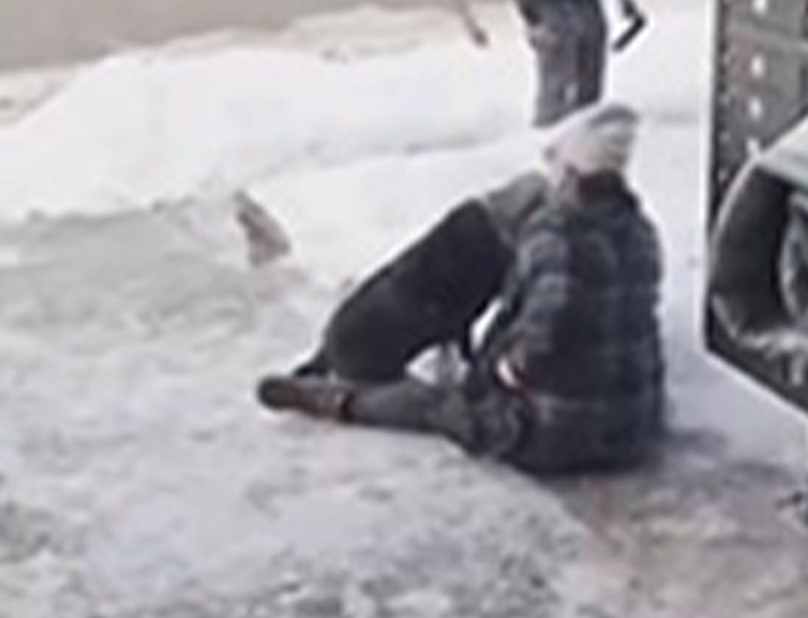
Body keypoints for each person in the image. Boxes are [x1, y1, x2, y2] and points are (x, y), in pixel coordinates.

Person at [257, 103, 665, 474]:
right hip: (635, 430)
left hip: (556, 438)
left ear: (572, 173)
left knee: (438, 405)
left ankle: (336, 401)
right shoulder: (642, 232)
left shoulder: (555, 234)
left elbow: (546, 334)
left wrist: (505, 373)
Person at [512, 0, 643, 127]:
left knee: (590, 90)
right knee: (557, 89)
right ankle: (551, 139)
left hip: (589, 0)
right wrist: (531, 14)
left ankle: (583, 140)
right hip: (552, 4)